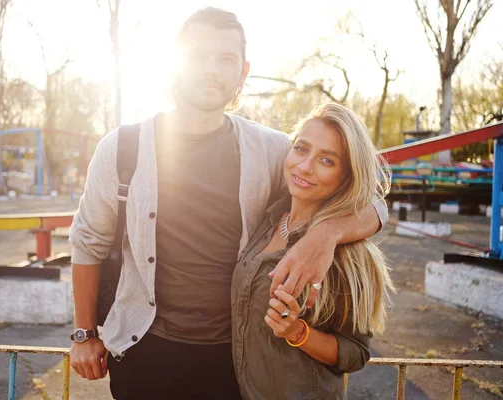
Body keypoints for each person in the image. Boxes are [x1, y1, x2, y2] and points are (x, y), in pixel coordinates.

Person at [68, 7, 388, 400]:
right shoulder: (122, 148)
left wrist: (325, 235)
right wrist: (84, 334)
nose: (212, 69)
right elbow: (88, 243)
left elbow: (368, 198)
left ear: (243, 71)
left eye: (225, 59)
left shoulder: (270, 150)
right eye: (199, 55)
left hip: (234, 359)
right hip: (145, 353)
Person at [232, 103, 395, 400]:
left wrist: (297, 332)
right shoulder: (267, 217)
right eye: (301, 149)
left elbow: (355, 352)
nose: (305, 166)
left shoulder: (348, 253)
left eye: (327, 161)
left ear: (347, 176)